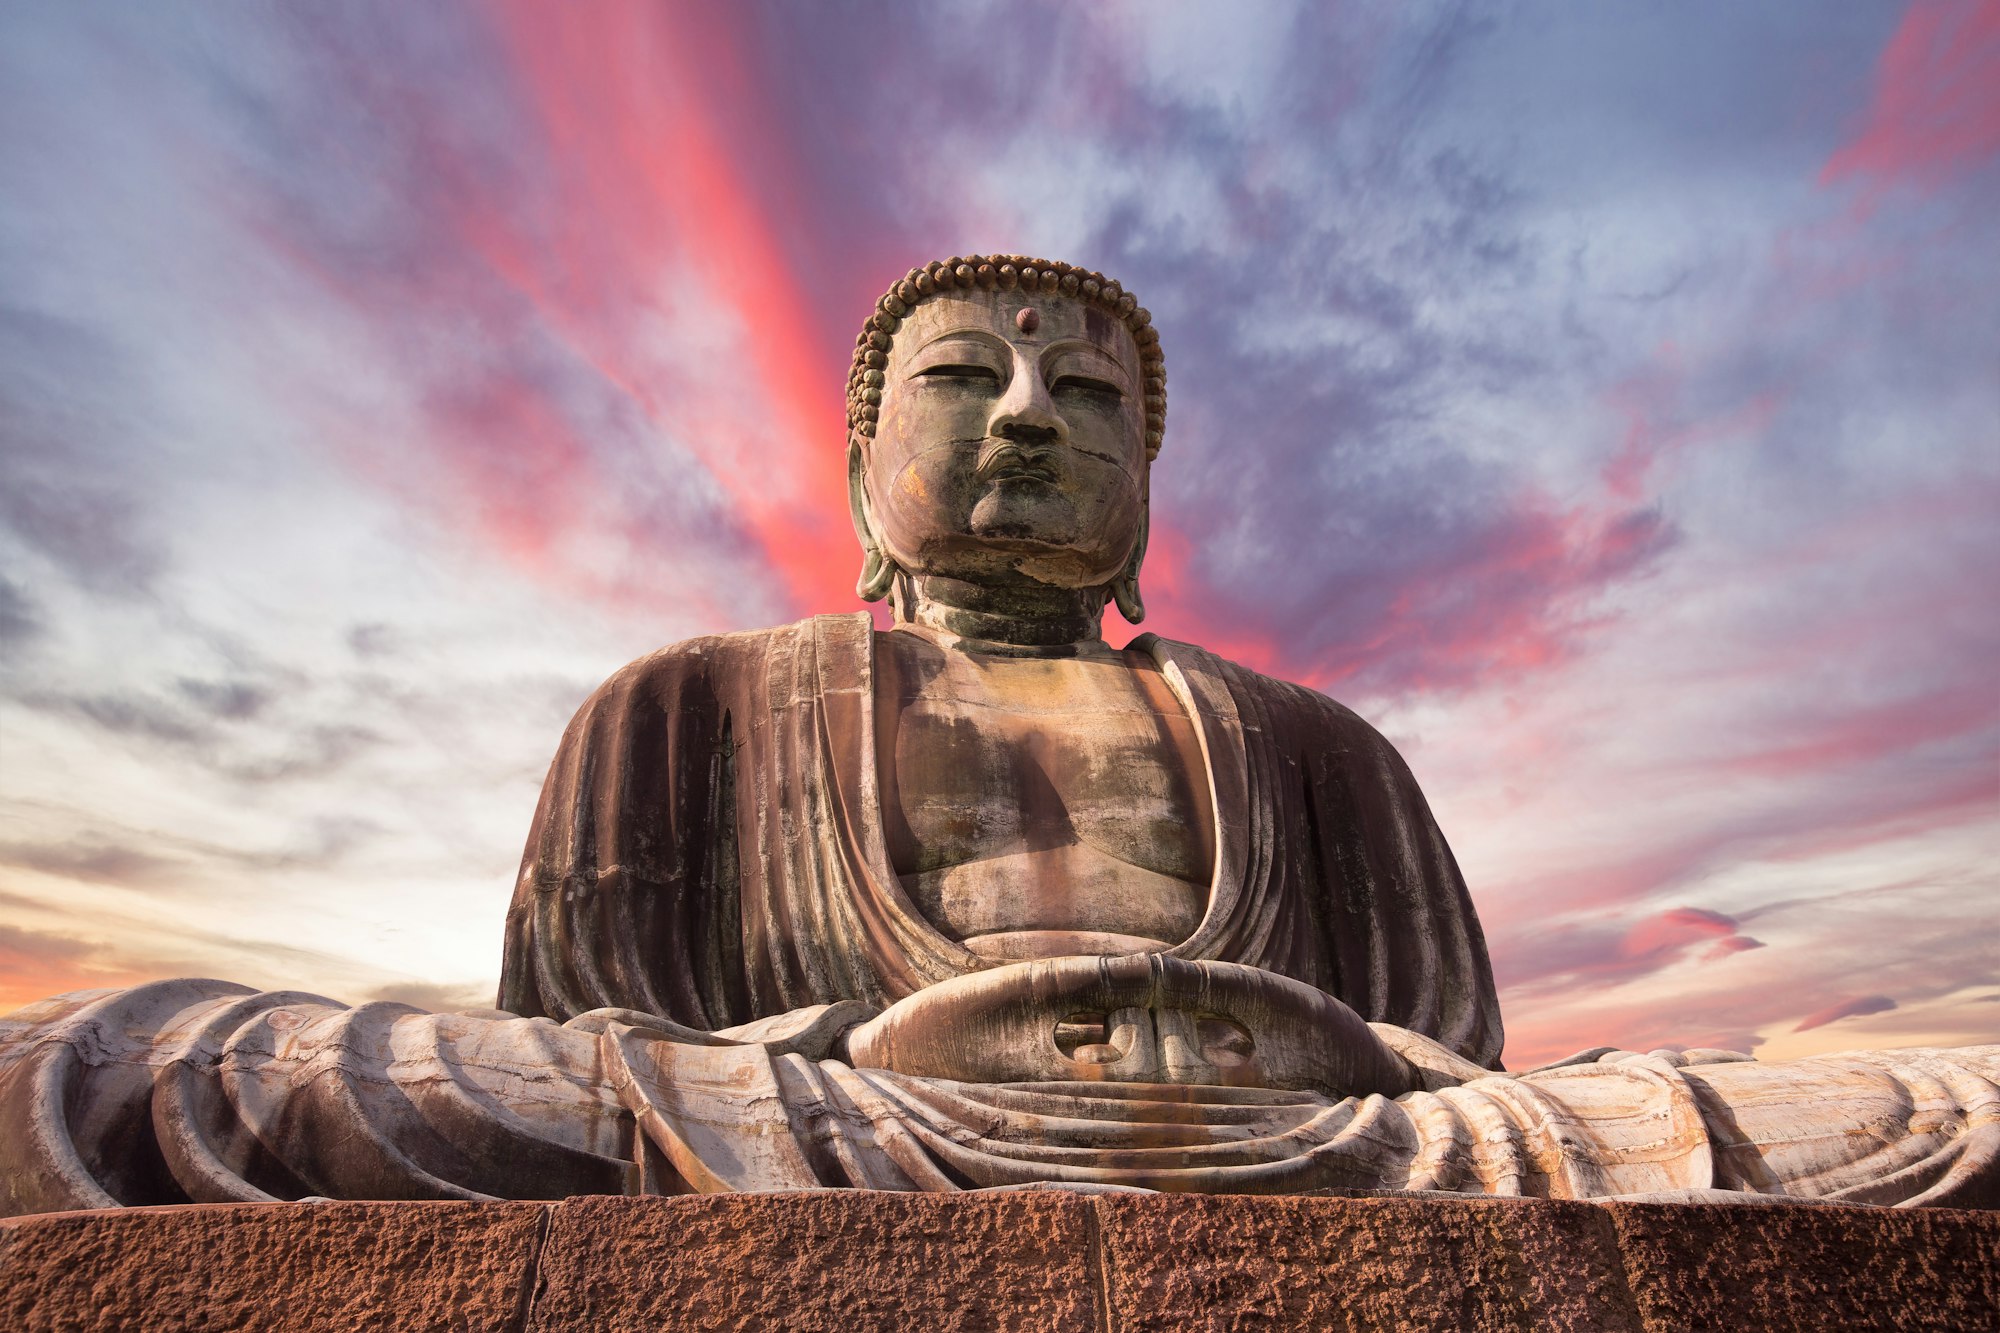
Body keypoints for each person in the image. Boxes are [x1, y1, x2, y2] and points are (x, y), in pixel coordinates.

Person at [2, 256, 1992, 1214]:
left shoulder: (1308, 740)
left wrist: (1366, 1100)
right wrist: (839, 1077)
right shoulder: (691, 702)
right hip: (851, 1129)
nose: (1030, 414)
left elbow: (1445, 1060)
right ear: (864, 456)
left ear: (1144, 468)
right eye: (965, 379)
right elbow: (598, 1050)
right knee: (114, 1060)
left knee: (1925, 1100)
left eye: (1090, 396)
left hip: (1330, 1145)